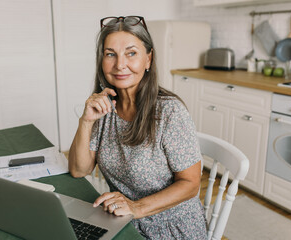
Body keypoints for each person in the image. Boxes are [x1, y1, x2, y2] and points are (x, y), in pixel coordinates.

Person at [69, 15, 207, 239]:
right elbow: (79, 170)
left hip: (170, 227)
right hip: (124, 221)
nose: (120, 64)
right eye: (110, 54)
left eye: (131, 53)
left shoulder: (169, 112)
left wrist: (136, 208)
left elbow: (191, 184)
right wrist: (86, 121)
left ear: (148, 59)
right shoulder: (105, 107)